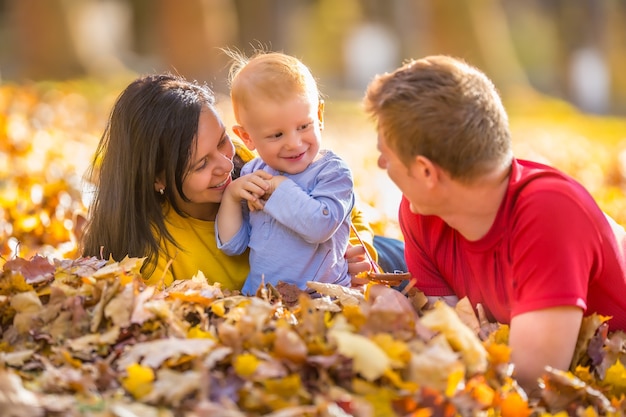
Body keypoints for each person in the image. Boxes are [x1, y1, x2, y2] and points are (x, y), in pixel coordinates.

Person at [362, 55, 626, 394]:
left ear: (427, 172)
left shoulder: (550, 211)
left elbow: (531, 379)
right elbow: (449, 329)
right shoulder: (422, 211)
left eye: (387, 154)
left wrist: (412, 329)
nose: (382, 163)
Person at [79, 72, 401, 291]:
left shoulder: (253, 161)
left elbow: (339, 194)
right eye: (201, 164)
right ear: (157, 179)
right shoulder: (154, 252)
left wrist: (360, 249)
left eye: (221, 141)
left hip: (353, 265)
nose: (225, 164)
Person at [216, 51, 354, 295]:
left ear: (319, 116)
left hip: (323, 299)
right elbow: (233, 245)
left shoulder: (333, 172)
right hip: (264, 299)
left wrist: (279, 189)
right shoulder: (253, 172)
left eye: (303, 126)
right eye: (277, 135)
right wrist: (231, 197)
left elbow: (320, 227)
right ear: (247, 137)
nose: (294, 143)